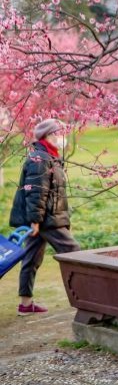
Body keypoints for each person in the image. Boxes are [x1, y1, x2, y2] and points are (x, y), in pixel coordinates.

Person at [9, 118, 80, 315]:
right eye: (59, 132)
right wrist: (35, 221)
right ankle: (88, 299)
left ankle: (25, 304)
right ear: (48, 136)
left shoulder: (50, 157)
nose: (62, 137)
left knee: (31, 258)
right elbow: (36, 192)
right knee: (75, 253)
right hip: (46, 219)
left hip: (45, 217)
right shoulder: (39, 159)